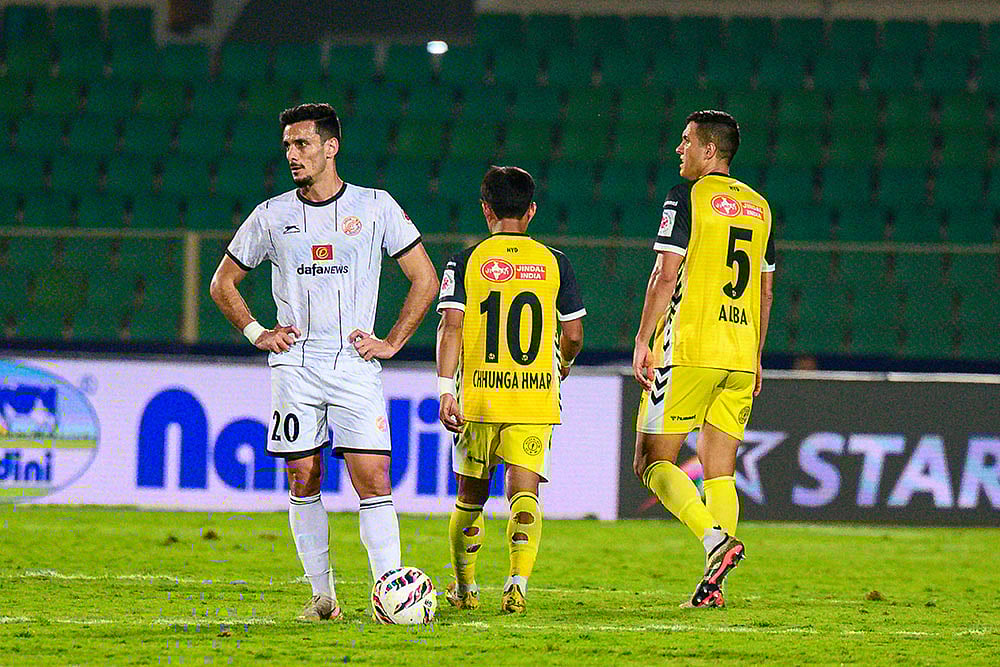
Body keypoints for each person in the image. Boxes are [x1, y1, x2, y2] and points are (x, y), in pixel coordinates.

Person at [209, 103, 438, 621]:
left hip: (356, 363)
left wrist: (394, 341)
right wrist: (256, 331)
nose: (292, 154)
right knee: (302, 477)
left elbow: (425, 279)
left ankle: (392, 595)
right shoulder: (270, 215)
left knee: (373, 477)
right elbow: (222, 282)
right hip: (296, 365)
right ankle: (324, 596)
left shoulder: (376, 206)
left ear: (331, 146)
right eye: (288, 145)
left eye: (302, 144)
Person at [631, 110, 774, 608]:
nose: (679, 149)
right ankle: (714, 586)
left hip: (690, 348)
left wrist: (643, 339)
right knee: (719, 473)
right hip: (739, 354)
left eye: (687, 141)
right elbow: (765, 289)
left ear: (709, 150)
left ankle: (715, 542)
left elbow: (664, 275)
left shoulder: (687, 197)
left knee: (651, 461)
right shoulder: (760, 207)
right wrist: (755, 356)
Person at [435, 166, 585, 614]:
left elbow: (451, 326)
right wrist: (562, 366)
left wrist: (446, 390)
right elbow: (573, 333)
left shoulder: (465, 261)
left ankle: (465, 589)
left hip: (478, 397)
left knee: (470, 497)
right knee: (524, 493)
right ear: (532, 210)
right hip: (534, 396)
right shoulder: (556, 262)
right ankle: (517, 583)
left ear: (486, 210)